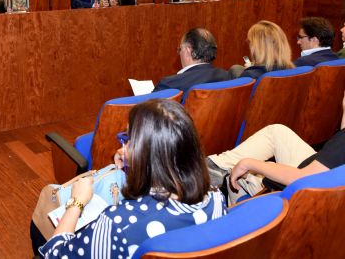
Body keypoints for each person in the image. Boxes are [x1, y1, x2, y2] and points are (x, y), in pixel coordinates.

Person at [36, 99, 226, 258]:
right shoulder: (216, 198)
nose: (123, 147)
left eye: (128, 140)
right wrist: (133, 162)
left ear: (145, 155)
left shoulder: (116, 223)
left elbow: (55, 254)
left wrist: (76, 203)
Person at [207, 90, 345, 197]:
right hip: (322, 166)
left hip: (306, 190)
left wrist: (248, 163)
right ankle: (218, 166)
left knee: (243, 172)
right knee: (277, 131)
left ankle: (235, 219)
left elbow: (306, 179)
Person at [154, 28, 229, 92]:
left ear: (188, 50)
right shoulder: (226, 76)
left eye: (180, 49)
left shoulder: (168, 85)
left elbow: (147, 108)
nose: (179, 53)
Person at [229, 20, 295, 79]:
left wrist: (251, 69)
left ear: (258, 47)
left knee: (235, 69)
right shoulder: (293, 69)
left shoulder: (249, 76)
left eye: (250, 42)